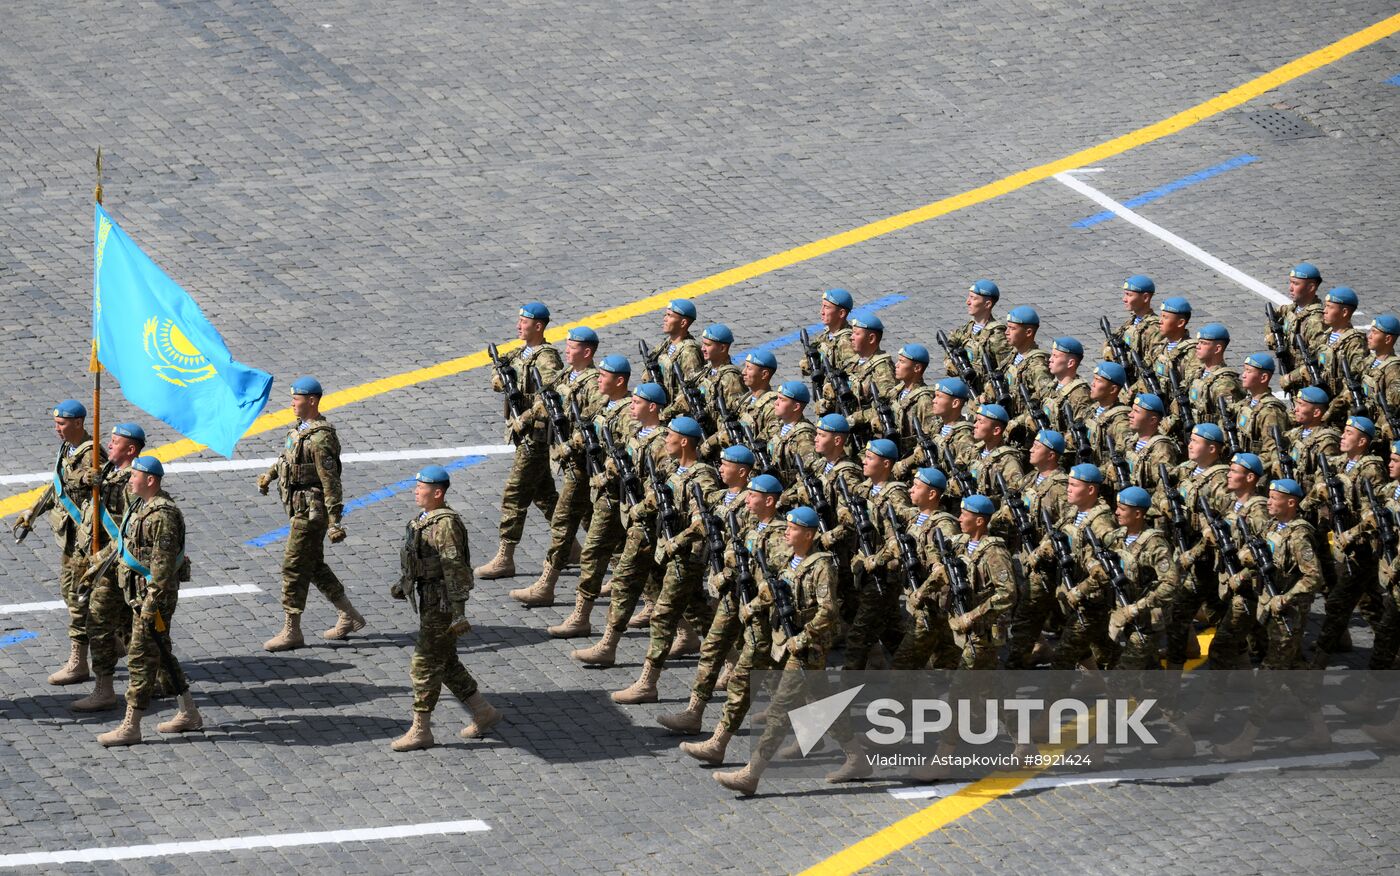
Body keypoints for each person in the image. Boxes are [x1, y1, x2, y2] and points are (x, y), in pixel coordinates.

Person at [714, 507, 859, 795]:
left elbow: (828, 611)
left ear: (808, 534)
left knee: (780, 710)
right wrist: (753, 607)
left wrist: (803, 639)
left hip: (808, 648)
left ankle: (751, 773)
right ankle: (857, 755)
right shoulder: (791, 561)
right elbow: (774, 591)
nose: (786, 532)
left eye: (792, 529)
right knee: (819, 701)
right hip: (788, 643)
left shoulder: (821, 566)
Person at [389, 465, 503, 751]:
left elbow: (454, 568)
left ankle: (421, 729)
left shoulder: (445, 524)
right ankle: (483, 711)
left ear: (437, 492)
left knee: (424, 665)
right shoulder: (426, 519)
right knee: (447, 662)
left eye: (421, 486)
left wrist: (458, 611)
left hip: (441, 603)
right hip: (429, 598)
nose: (416, 490)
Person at [96, 457, 202, 746]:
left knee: (141, 657)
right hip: (138, 593)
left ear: (151, 480)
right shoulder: (139, 505)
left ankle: (131, 726)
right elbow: (125, 545)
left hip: (153, 599)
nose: (130, 479)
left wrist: (150, 604)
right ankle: (189, 712)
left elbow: (163, 568)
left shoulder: (163, 515)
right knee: (163, 653)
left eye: (135, 476)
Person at [258, 377, 366, 651]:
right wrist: (270, 475)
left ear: (313, 401)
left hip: (311, 512)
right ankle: (348, 614)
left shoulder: (321, 438)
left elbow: (331, 480)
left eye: (297, 398)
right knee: (314, 565)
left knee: (293, 566)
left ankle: (292, 630)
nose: (292, 402)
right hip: (297, 506)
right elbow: (288, 459)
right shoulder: (301, 430)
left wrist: (335, 520)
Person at [508, 326, 602, 608]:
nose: (567, 351)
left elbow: (591, 424)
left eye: (572, 347)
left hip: (585, 464)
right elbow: (546, 400)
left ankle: (546, 585)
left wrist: (568, 446)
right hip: (572, 463)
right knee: (594, 522)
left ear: (586, 352)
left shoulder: (594, 383)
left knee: (563, 522)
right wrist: (526, 416)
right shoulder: (566, 376)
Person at [17, 399, 108, 686]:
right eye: (56, 423)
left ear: (79, 423)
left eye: (62, 424)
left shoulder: (93, 455)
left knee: (77, 599)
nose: (57, 428)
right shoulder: (67, 448)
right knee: (75, 596)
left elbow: (106, 487)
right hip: (70, 538)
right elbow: (57, 486)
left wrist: (91, 477)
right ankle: (113, 643)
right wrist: (33, 511)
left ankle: (78, 662)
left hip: (87, 540)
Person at [475, 302, 564, 580]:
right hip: (522, 434)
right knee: (544, 494)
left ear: (538, 326)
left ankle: (506, 556)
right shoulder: (520, 352)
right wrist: (504, 380)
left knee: (514, 494)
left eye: (524, 322)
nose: (518, 326)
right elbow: (497, 375)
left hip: (536, 436)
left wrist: (523, 417)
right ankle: (570, 546)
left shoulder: (547, 358)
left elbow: (549, 397)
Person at [71, 422, 145, 712]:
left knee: (99, 624)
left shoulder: (131, 483)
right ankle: (159, 678)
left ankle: (104, 690)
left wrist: (99, 562)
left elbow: (129, 532)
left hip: (113, 565)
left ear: (131, 449)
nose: (109, 446)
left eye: (115, 443)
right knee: (130, 626)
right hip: (103, 560)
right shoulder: (110, 474)